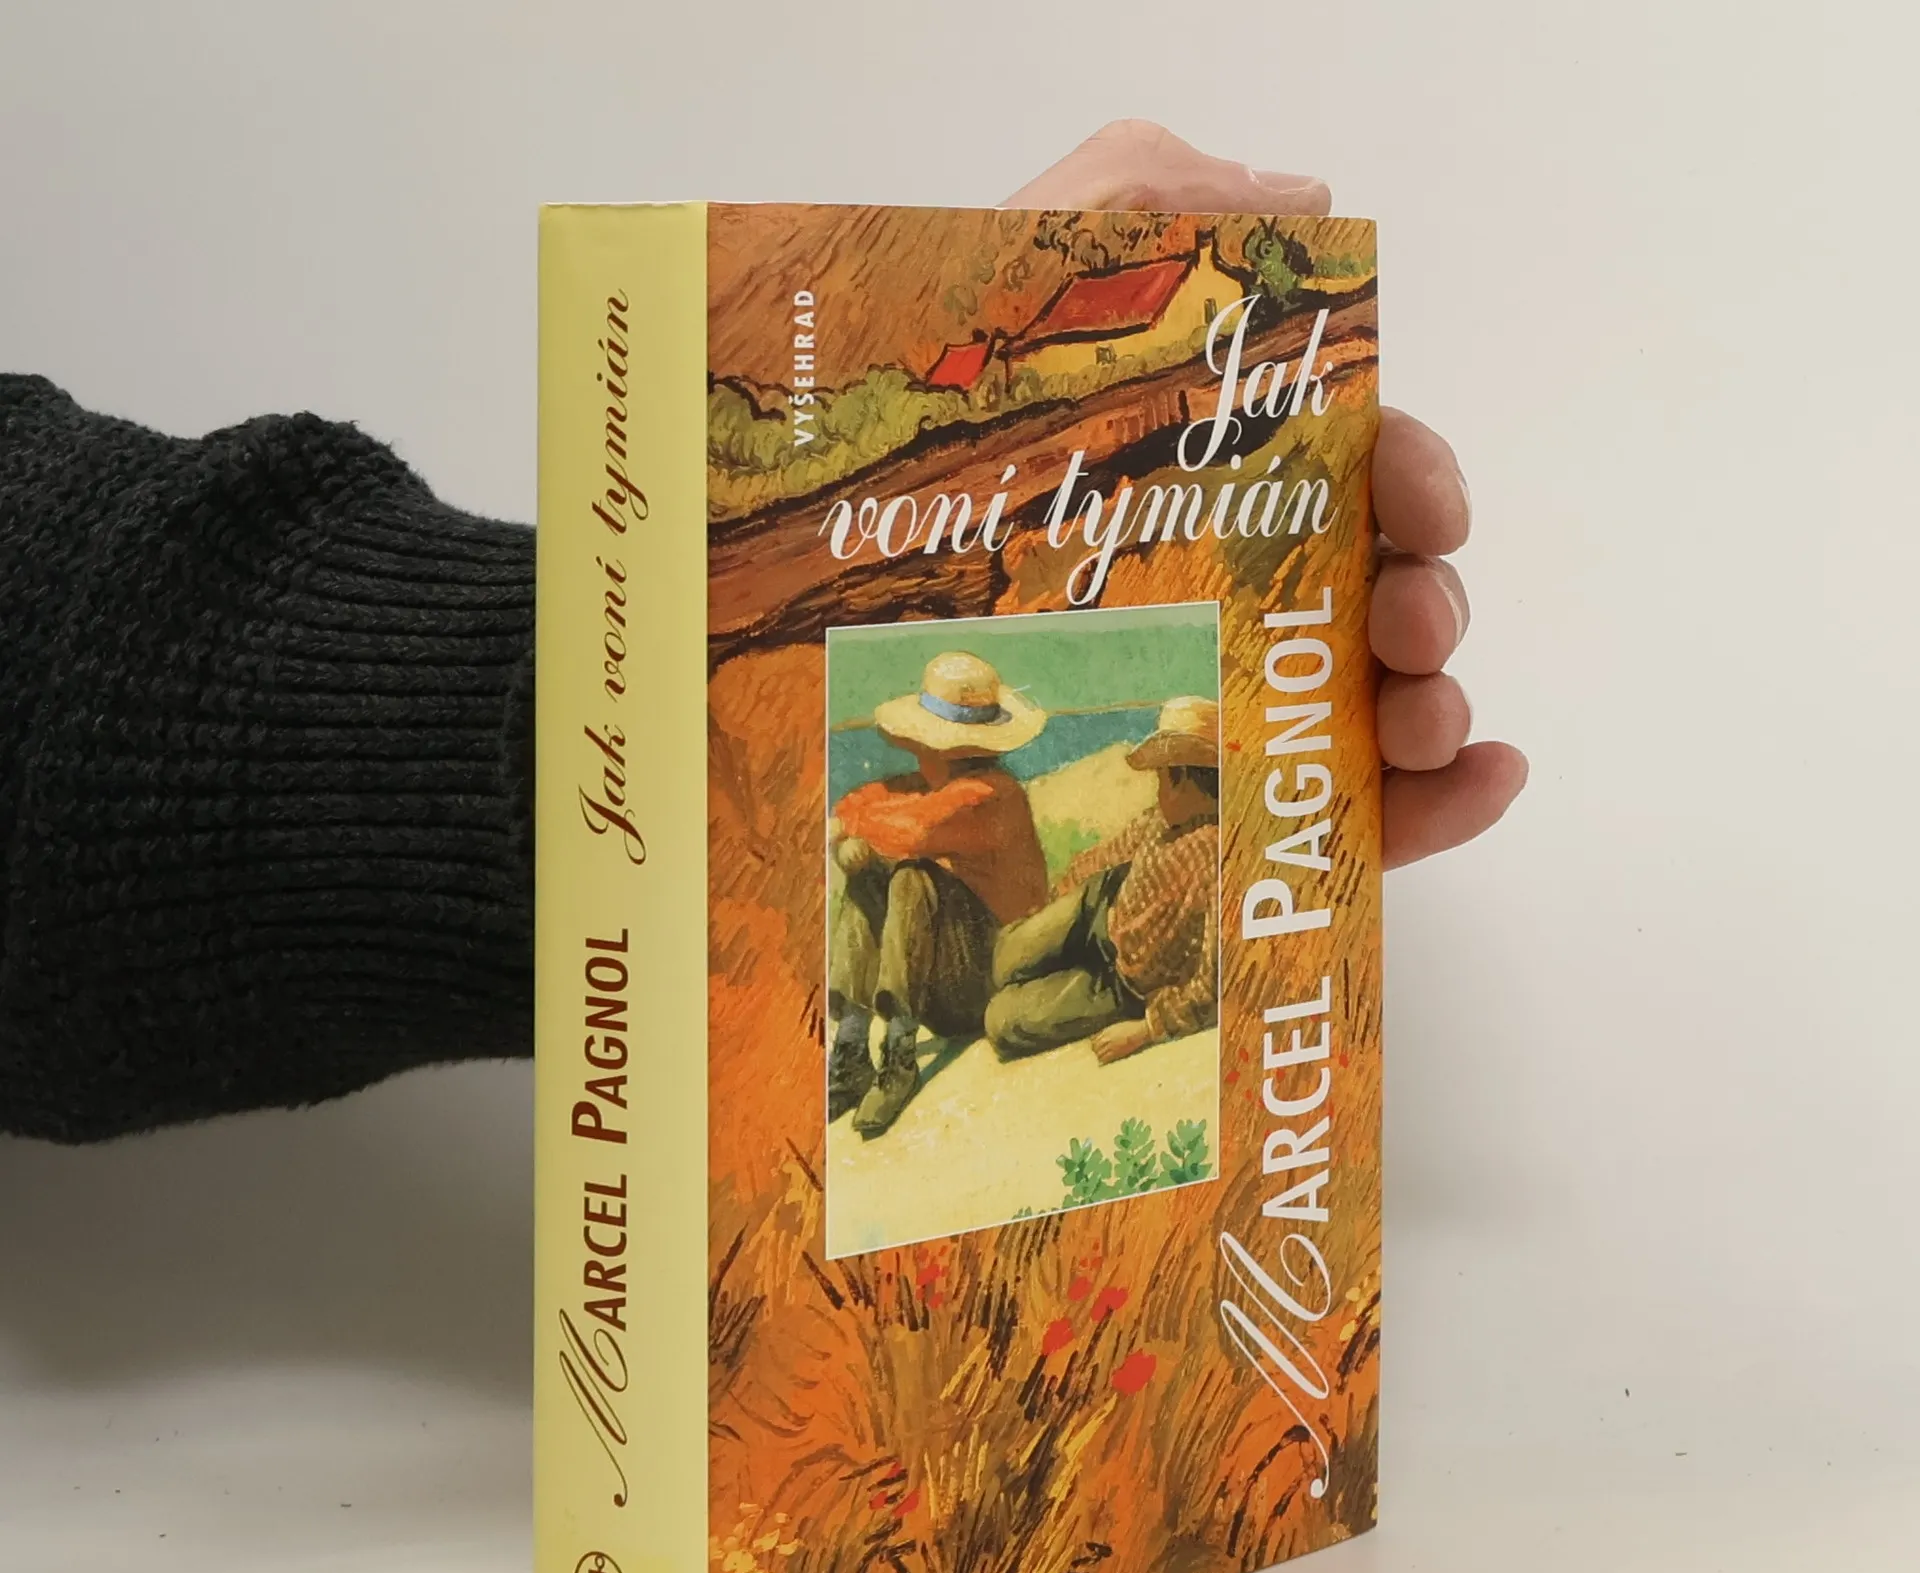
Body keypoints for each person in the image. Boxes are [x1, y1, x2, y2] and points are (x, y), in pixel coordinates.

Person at [0, 121, 1526, 1147]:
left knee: (935, 920)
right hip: (956, 936)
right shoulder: (1034, 811)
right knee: (894, 891)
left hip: (1015, 963)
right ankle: (875, 1052)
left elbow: (930, 849)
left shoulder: (1001, 807)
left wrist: (677, 684)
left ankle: (890, 1049)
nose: (1167, 784)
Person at [829, 651, 1048, 1137]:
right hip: (947, 976)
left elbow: (914, 829)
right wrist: (851, 837)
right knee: (871, 878)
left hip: (987, 984)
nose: (916, 752)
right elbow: (863, 800)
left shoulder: (991, 795)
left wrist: (849, 833)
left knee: (912, 878)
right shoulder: (937, 783)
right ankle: (851, 1047)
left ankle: (899, 1056)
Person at [985, 695, 1220, 1067]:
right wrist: (1056, 901)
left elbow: (1212, 984)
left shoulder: (1218, 860)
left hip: (1123, 983)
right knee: (1003, 958)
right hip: (1101, 905)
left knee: (1002, 1023)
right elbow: (1106, 856)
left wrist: (1146, 1029)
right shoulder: (1162, 817)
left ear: (1182, 779)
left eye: (1161, 777)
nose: (1158, 789)